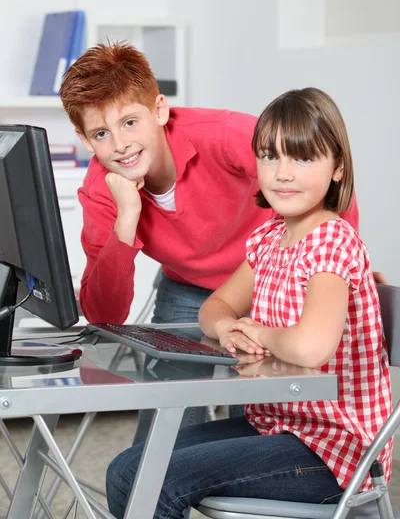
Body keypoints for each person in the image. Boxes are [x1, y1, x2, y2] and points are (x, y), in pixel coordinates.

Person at [105, 87, 393, 519]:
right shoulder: (270, 238)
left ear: (337, 169)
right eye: (269, 156)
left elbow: (311, 347)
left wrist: (255, 330)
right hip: (277, 425)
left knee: (157, 482)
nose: (283, 173)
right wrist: (226, 327)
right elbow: (214, 306)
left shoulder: (332, 242)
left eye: (303, 158)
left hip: (334, 451)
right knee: (126, 470)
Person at [59, 43, 359, 439]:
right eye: (101, 133)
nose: (120, 145)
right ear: (84, 140)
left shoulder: (229, 134)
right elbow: (103, 313)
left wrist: (344, 266)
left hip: (266, 277)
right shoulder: (101, 190)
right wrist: (127, 218)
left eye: (130, 122)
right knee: (166, 416)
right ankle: (164, 489)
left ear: (160, 110)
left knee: (255, 408)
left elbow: (321, 190)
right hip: (186, 287)